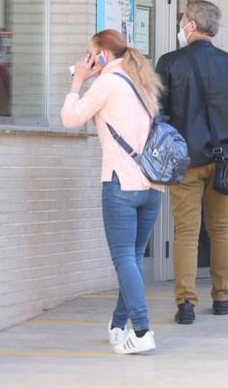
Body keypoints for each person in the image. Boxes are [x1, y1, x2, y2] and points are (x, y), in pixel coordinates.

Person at [61, 29, 164, 354]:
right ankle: (119, 325)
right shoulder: (142, 84)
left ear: (101, 55)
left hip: (121, 183)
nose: (87, 59)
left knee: (124, 259)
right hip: (152, 186)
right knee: (132, 259)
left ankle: (143, 330)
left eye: (90, 52)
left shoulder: (107, 84)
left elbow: (70, 118)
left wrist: (79, 80)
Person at [156, 1, 228, 323]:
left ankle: (186, 303)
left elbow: (159, 112)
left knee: (186, 232)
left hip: (185, 158)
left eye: (183, 20)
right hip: (226, 160)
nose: (182, 24)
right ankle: (222, 297)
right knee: (222, 229)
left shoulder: (170, 62)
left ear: (191, 25)